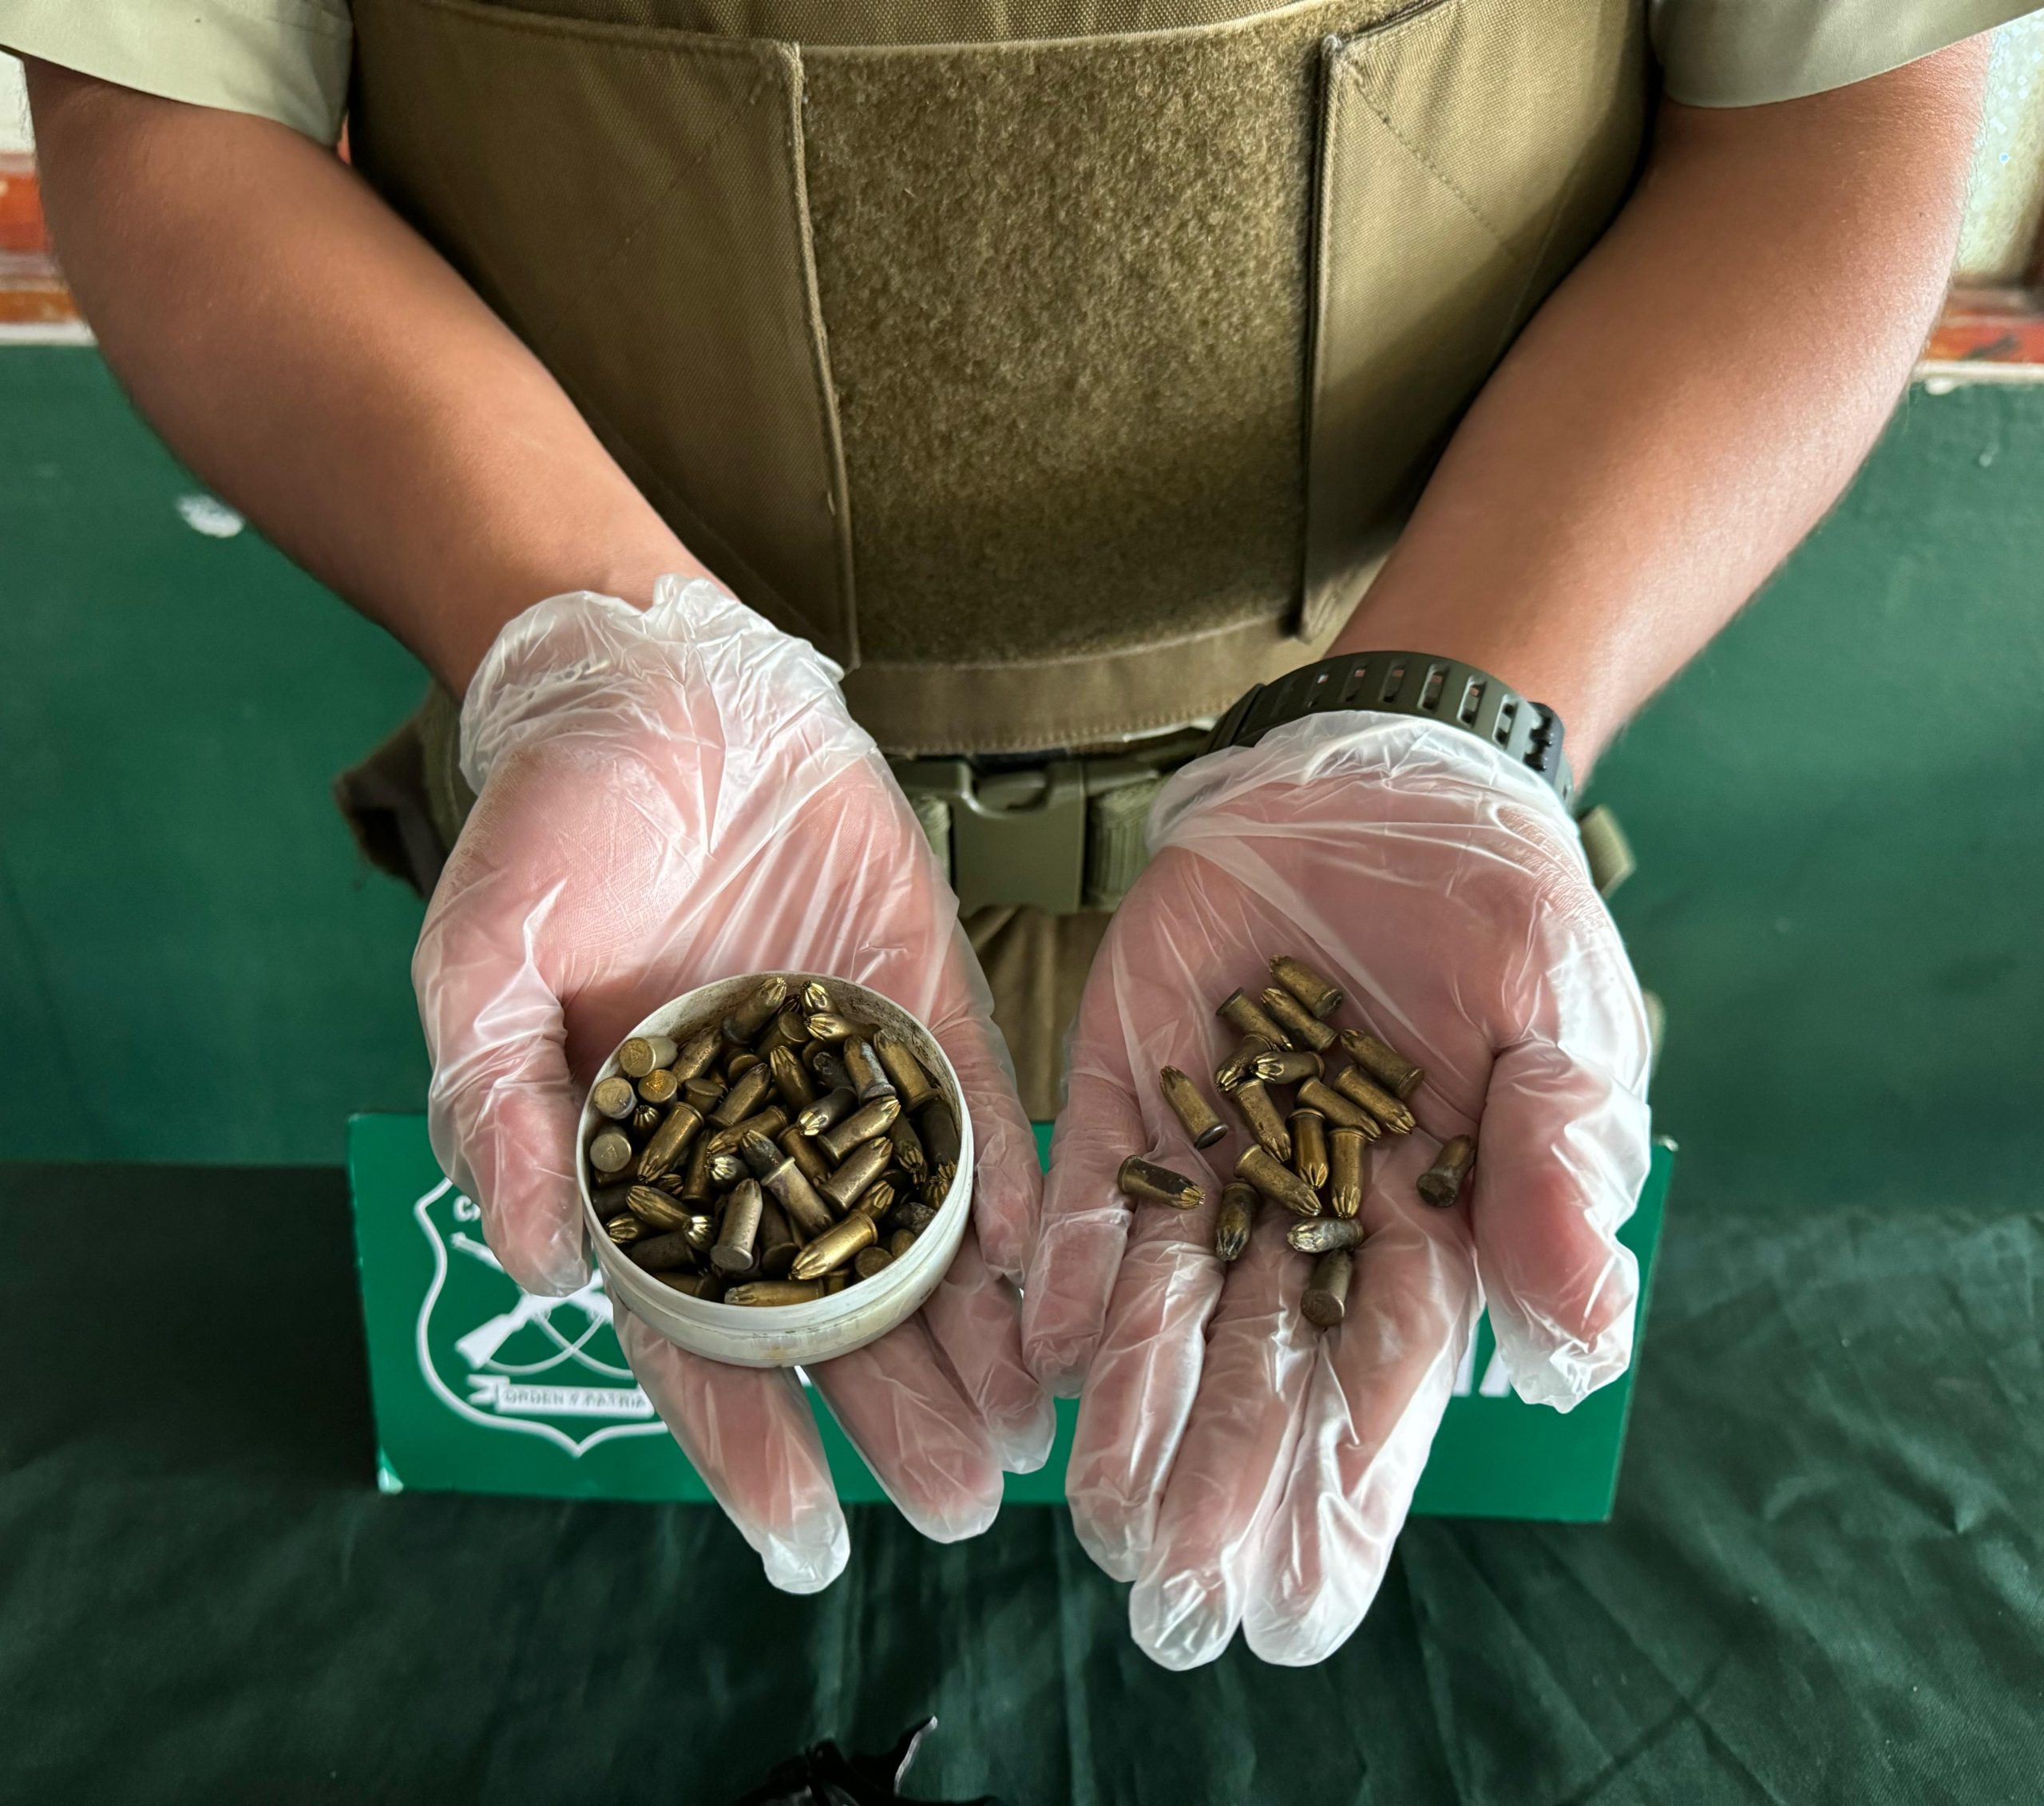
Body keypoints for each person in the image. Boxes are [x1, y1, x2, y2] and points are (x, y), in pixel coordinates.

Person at [5, 0, 2015, 1670]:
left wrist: (1453, 719)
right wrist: (586, 628)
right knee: (646, 1598)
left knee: (1335, 1540)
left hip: (1387, 883)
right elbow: (160, 95)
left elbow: (1830, 106)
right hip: (647, 893)